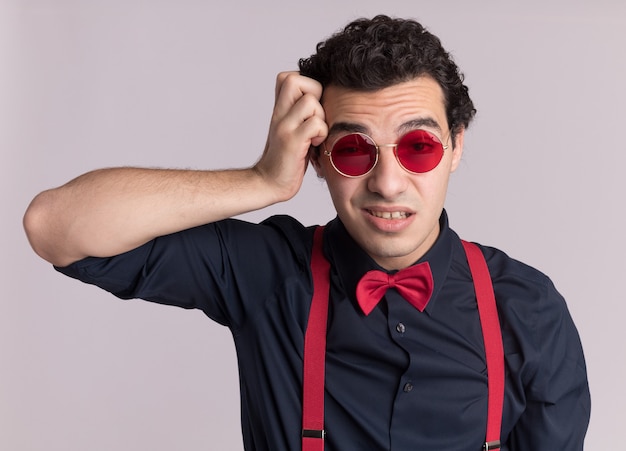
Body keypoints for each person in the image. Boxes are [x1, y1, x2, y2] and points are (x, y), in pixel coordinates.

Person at [23, 15, 590, 451]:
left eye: (418, 147)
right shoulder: (269, 273)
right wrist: (260, 179)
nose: (387, 184)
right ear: (316, 157)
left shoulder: (529, 309)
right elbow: (54, 225)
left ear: (457, 147)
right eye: (352, 149)